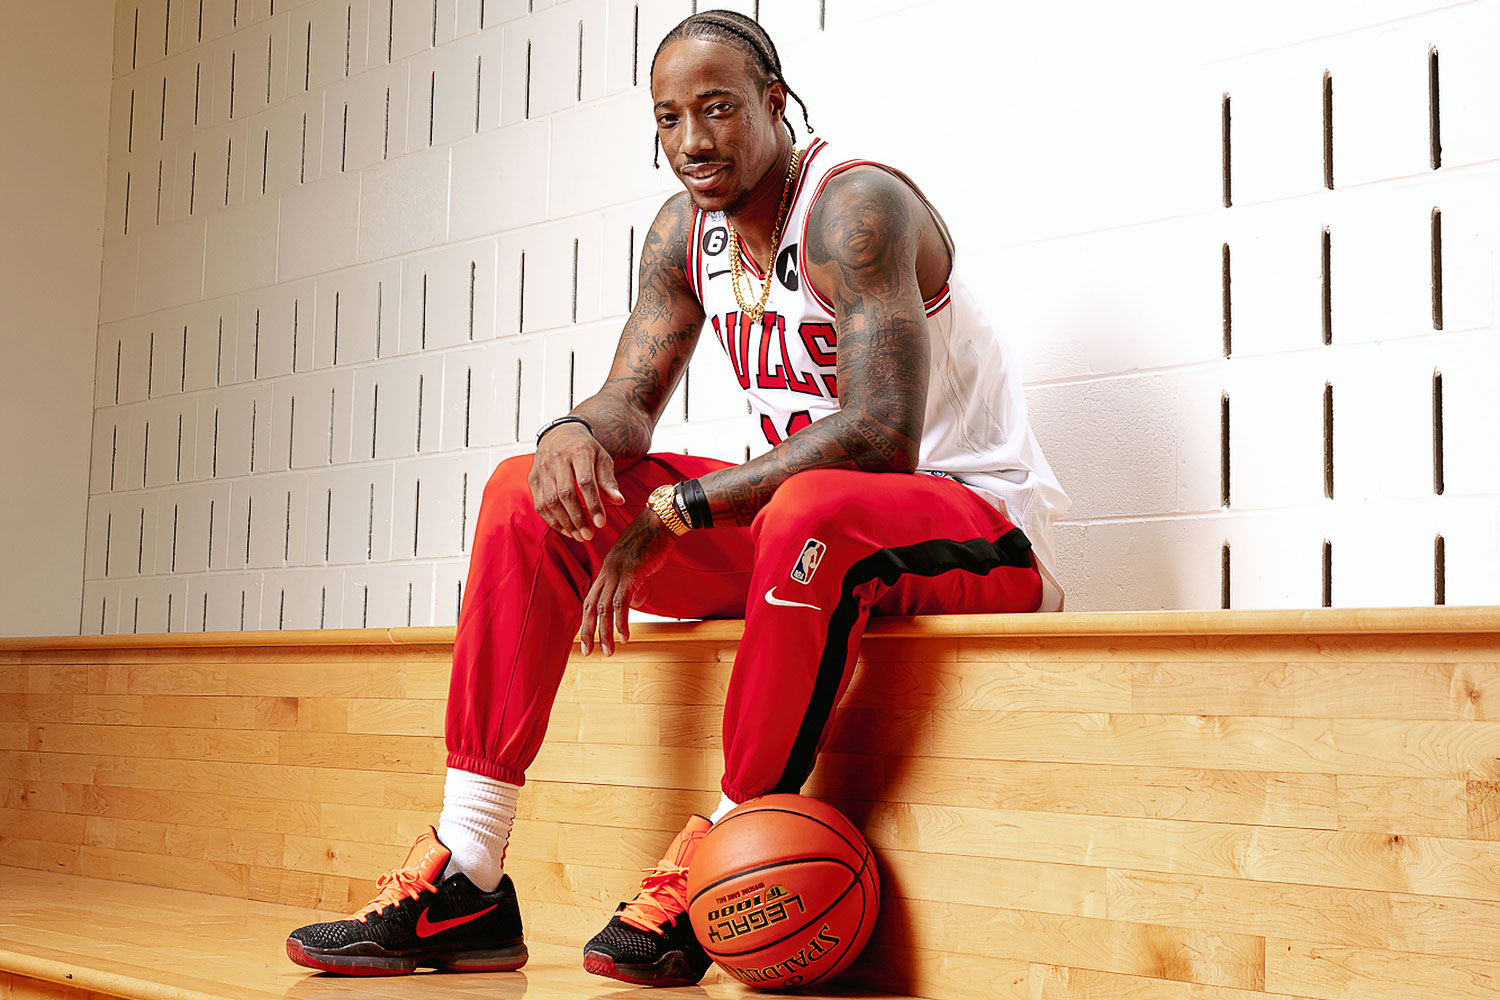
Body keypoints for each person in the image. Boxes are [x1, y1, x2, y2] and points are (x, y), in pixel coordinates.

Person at [285, 8, 1068, 987]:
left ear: (773, 105)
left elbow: (881, 433)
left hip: (965, 530)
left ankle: (728, 855)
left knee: (811, 506)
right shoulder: (685, 232)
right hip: (803, 542)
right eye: (669, 118)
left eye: (718, 109)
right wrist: (571, 432)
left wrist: (680, 510)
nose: (693, 141)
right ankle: (469, 868)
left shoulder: (855, 208)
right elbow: (627, 403)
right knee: (526, 492)